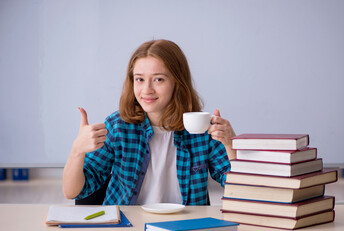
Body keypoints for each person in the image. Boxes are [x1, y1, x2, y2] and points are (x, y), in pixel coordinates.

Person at [63, 39, 236, 205]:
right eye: (139, 79)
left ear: (178, 82)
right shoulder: (117, 127)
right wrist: (77, 150)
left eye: (158, 79)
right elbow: (72, 192)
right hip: (128, 229)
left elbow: (239, 188)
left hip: (185, 228)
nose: (146, 90)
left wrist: (230, 145)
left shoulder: (201, 129)